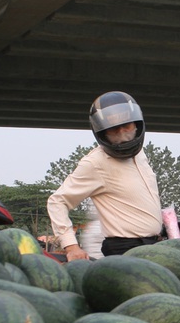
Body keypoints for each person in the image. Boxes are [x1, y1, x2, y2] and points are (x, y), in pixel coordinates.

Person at [47, 91, 162, 261]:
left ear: (137, 125)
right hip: (125, 250)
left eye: (127, 126)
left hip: (154, 245)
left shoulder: (140, 155)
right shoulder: (95, 163)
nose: (123, 133)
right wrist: (71, 246)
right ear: (102, 132)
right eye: (114, 129)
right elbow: (57, 201)